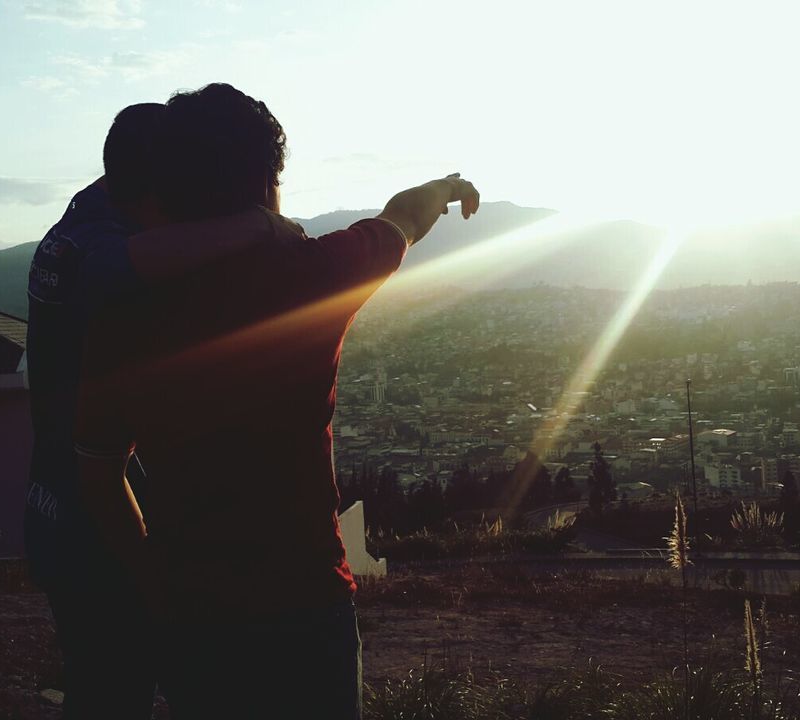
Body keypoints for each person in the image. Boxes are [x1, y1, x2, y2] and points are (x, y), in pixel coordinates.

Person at [71, 83, 480, 719]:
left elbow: (97, 469)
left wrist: (150, 577)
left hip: (192, 614)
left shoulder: (121, 317)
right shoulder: (311, 276)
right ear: (267, 182)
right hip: (305, 601)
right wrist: (447, 185)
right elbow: (403, 218)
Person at [24, 100, 306, 718]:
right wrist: (261, 227)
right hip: (94, 519)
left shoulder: (86, 215)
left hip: (61, 507)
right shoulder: (94, 251)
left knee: (109, 683)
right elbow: (122, 266)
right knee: (122, 687)